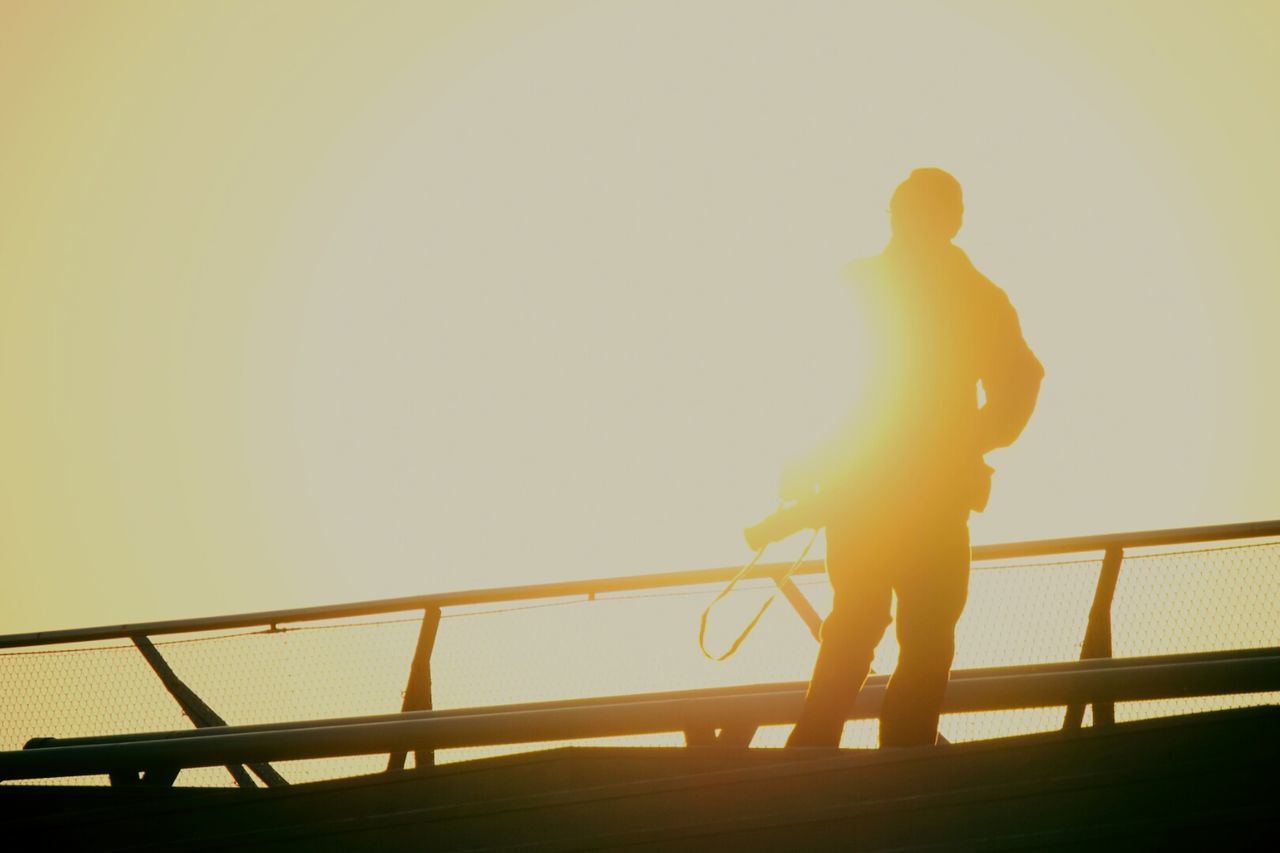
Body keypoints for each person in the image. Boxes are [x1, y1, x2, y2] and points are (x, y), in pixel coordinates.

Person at [784, 168, 1044, 749]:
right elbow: (841, 393)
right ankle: (861, 760)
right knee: (878, 625)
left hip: (901, 497)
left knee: (894, 629)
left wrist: (962, 443)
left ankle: (840, 761)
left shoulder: (937, 293)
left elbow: (1020, 383)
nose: (915, 226)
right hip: (883, 496)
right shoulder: (948, 294)